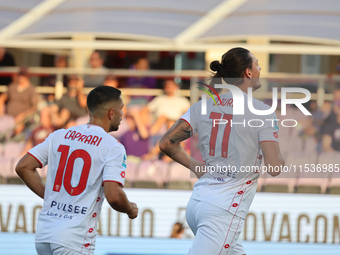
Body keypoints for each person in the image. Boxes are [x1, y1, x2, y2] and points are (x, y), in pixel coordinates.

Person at [159, 47, 285, 255]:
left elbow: (166, 142)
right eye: (257, 63)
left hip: (198, 203)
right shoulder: (261, 111)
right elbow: (274, 167)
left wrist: (197, 168)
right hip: (223, 211)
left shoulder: (203, 106)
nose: (260, 67)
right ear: (248, 72)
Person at [16, 86, 138, 255]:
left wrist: (50, 195)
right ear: (111, 113)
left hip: (44, 235)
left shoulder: (59, 135)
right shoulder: (112, 147)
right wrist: (130, 209)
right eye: (121, 109)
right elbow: (114, 196)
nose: (122, 114)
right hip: (74, 239)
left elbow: (23, 166)